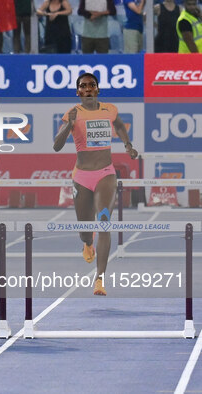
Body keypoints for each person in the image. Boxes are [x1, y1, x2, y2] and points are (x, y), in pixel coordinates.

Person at [53, 73, 138, 296]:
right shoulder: (72, 113)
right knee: (84, 231)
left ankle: (99, 279)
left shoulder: (109, 109)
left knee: (104, 221)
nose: (88, 88)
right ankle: (87, 243)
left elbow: (119, 126)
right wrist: (68, 125)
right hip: (82, 176)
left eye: (92, 85)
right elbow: (56, 146)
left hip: (106, 173)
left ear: (97, 90)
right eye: (83, 86)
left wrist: (128, 145)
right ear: (78, 92)